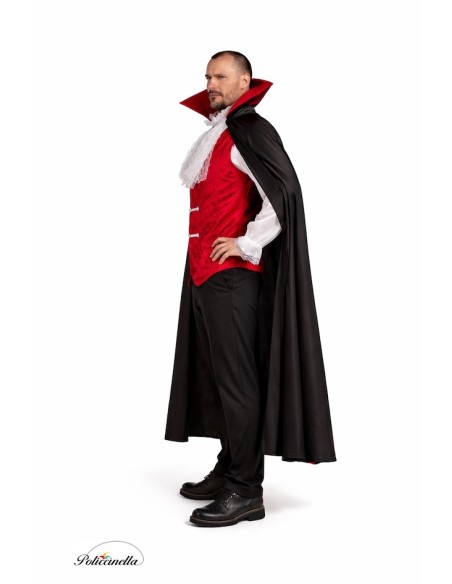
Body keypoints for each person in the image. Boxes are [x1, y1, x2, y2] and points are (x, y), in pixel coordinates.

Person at [165, 51, 336, 528]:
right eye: (207, 76)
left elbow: (282, 196)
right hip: (204, 274)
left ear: (245, 81)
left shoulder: (252, 131)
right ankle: (230, 465)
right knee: (220, 379)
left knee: (238, 383)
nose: (211, 83)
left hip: (234, 278)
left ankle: (245, 491)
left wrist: (244, 242)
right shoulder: (220, 133)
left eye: (221, 76)